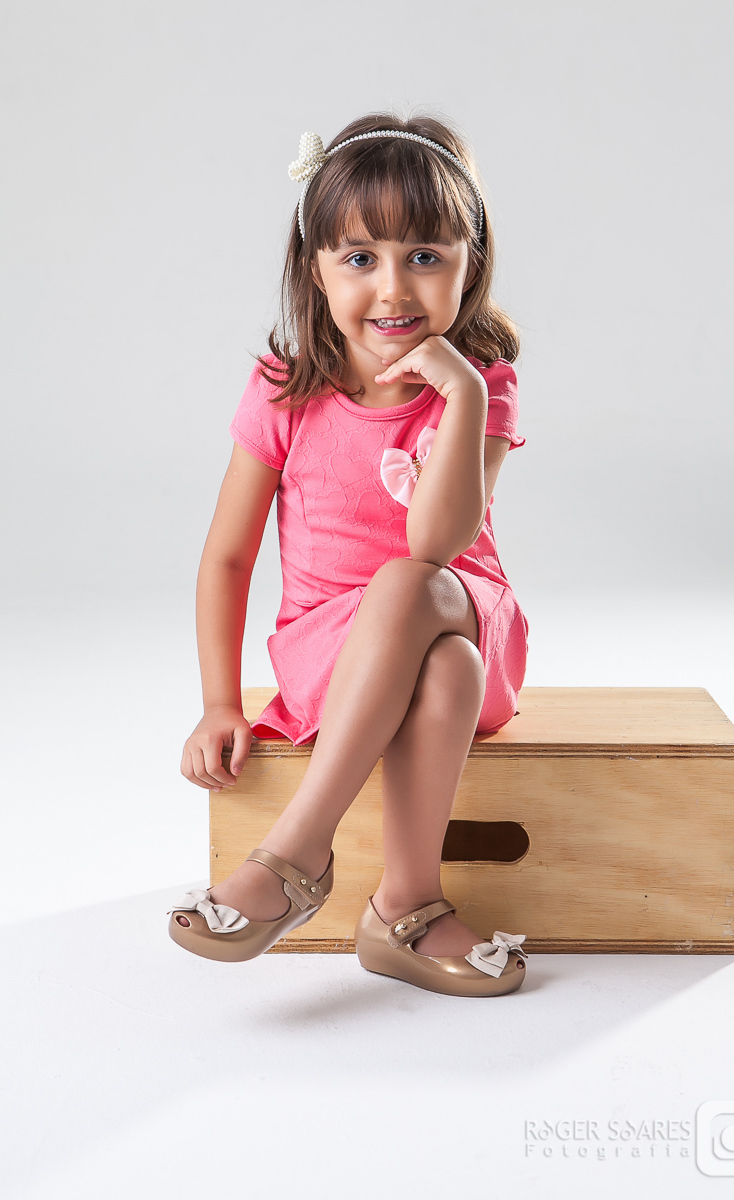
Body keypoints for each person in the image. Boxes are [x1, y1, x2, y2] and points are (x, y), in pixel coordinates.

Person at [167, 111, 530, 997]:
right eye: (360, 258)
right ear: (314, 268)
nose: (394, 287)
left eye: (426, 256)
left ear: (470, 262)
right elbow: (227, 559)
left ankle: (296, 853)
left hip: (467, 609)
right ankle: (406, 911)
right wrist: (219, 702)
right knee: (439, 673)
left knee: (418, 594)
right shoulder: (286, 393)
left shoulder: (481, 387)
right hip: (333, 648)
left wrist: (461, 389)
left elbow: (436, 546)